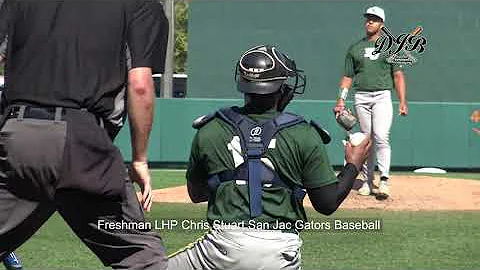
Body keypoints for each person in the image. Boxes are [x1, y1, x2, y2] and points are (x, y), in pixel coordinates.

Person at [168, 45, 371, 270]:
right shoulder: (304, 133)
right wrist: (353, 164)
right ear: (280, 89)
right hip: (279, 252)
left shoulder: (211, 129)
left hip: (221, 249)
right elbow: (327, 203)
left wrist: (233, 184)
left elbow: (196, 194)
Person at [0, 1, 169, 269]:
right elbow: (139, 84)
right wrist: (140, 159)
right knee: (143, 257)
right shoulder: (142, 5)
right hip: (84, 146)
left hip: (18, 136)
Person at [333, 6, 408, 199]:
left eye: (374, 19)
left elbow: (398, 76)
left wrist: (402, 101)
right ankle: (366, 181)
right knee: (366, 140)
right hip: (362, 97)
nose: (369, 21)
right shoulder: (355, 48)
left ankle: (384, 181)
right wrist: (341, 100)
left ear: (382, 24)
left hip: (382, 96)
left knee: (381, 136)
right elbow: (347, 77)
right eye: (368, 18)